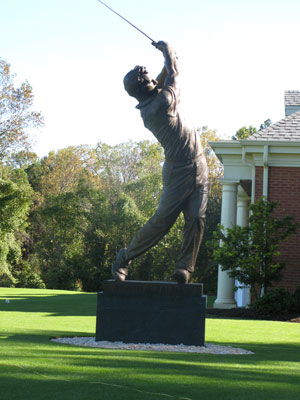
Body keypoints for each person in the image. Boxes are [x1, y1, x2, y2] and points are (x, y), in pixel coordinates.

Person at [112, 40, 208, 284]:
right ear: (144, 87)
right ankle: (125, 257)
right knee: (162, 221)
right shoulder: (159, 105)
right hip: (178, 171)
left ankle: (185, 268)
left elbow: (164, 74)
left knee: (196, 219)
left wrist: (169, 56)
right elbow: (173, 73)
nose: (149, 78)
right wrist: (168, 50)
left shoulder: (153, 96)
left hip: (200, 165)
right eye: (144, 78)